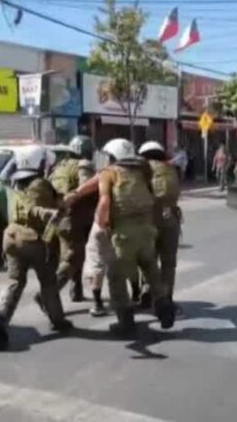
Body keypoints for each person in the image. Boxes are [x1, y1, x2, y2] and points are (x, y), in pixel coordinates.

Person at [64, 138, 176, 336]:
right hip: (146, 230)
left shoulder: (110, 172)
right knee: (151, 269)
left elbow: (105, 200)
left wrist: (101, 224)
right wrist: (78, 192)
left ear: (114, 156)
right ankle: (163, 305)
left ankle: (125, 322)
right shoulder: (142, 169)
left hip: (123, 235)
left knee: (116, 277)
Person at [0, 145, 72, 351]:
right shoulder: (39, 184)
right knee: (48, 283)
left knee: (15, 282)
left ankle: (0, 318)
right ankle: (57, 320)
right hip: (34, 240)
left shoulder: (15, 182)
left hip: (12, 236)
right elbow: (43, 209)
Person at [42, 135, 96, 303]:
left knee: (71, 255)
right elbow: (87, 187)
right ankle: (48, 295)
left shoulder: (59, 167)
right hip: (75, 219)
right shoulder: (83, 165)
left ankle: (76, 291)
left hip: (57, 219)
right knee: (74, 257)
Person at [139, 141, 181, 309]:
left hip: (149, 220)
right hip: (171, 219)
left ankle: (147, 292)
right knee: (168, 263)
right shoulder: (171, 169)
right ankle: (167, 298)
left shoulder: (142, 170)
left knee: (148, 260)